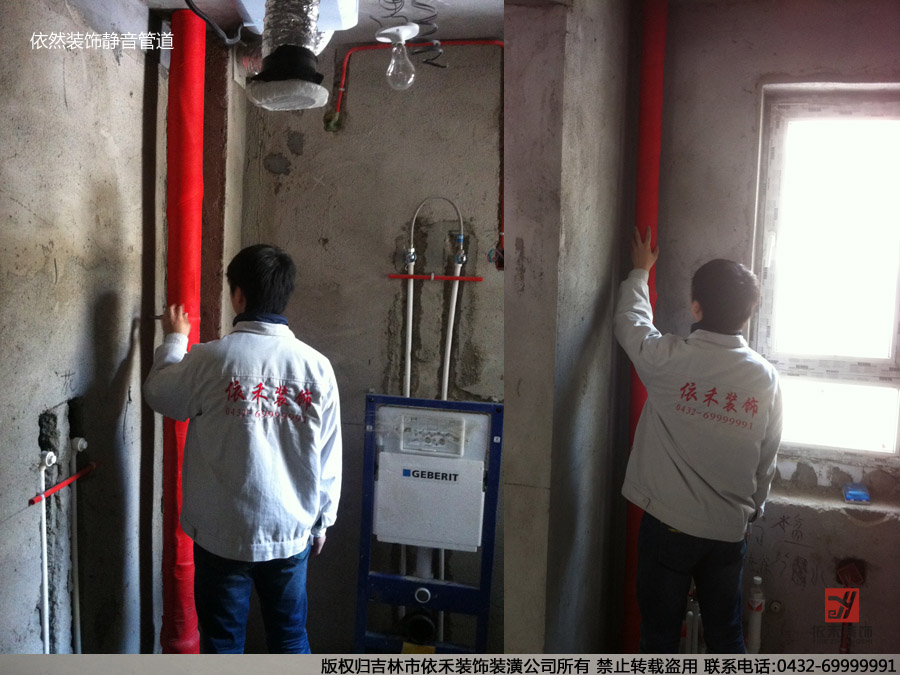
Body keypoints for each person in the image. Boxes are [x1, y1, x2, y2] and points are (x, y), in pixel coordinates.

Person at [143, 244, 342, 654]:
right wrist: (323, 520)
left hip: (223, 532)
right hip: (289, 530)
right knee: (290, 637)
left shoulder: (211, 359)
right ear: (284, 296)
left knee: (222, 643)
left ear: (238, 295)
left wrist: (175, 339)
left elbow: (161, 394)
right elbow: (329, 452)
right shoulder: (316, 367)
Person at [614, 228, 782, 654]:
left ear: (695, 306)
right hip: (727, 530)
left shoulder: (670, 359)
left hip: (668, 525)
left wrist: (640, 272)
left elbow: (631, 323)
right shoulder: (765, 379)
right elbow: (767, 458)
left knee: (659, 638)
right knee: (727, 636)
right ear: (748, 315)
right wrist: (752, 510)